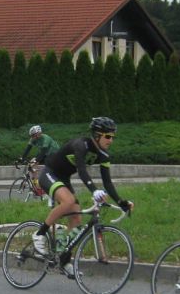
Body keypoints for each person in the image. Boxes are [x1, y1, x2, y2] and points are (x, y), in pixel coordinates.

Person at [32, 117, 133, 278]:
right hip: (49, 173)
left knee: (76, 220)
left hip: (63, 179)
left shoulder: (104, 155)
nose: (111, 140)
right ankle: (39, 234)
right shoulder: (81, 145)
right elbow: (81, 170)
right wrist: (93, 190)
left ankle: (62, 259)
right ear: (97, 135)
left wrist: (121, 202)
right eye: (108, 136)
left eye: (113, 137)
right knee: (69, 201)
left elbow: (107, 182)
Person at [17, 124, 59, 194]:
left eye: (34, 135)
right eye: (32, 136)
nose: (33, 137)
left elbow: (43, 152)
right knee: (32, 163)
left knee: (45, 168)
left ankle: (48, 186)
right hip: (45, 154)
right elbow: (28, 149)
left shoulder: (46, 138)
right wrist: (22, 158)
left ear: (39, 133)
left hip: (54, 154)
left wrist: (37, 160)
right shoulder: (33, 139)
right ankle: (37, 187)